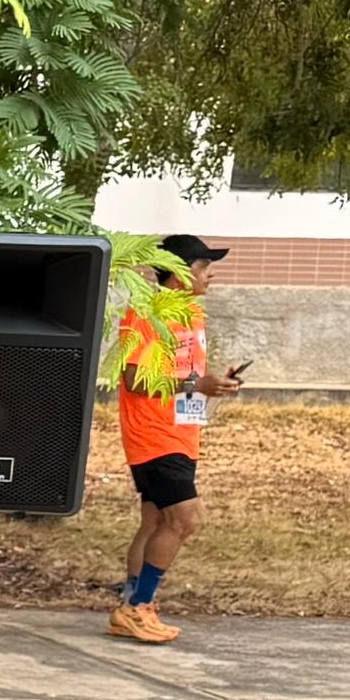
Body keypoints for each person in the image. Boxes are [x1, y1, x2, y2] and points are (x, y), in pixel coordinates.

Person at [111, 234, 237, 644]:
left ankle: (133, 605)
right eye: (202, 266)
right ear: (180, 272)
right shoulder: (148, 314)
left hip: (180, 432)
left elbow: (184, 376)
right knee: (185, 519)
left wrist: (210, 385)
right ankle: (136, 608)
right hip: (154, 435)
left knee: (155, 521)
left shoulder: (190, 315)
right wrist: (200, 385)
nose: (209, 273)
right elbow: (133, 379)